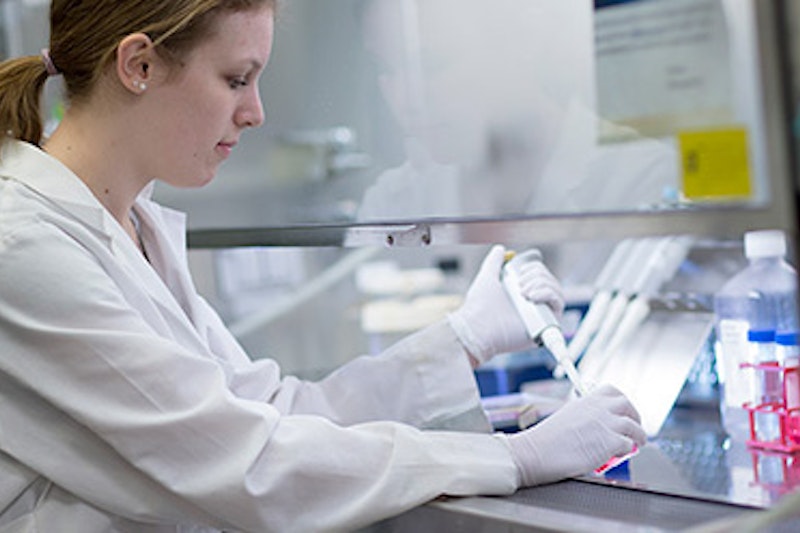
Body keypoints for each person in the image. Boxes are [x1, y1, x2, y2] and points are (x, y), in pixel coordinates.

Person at [0, 1, 646, 532]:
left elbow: (275, 410)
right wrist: (514, 457)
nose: (255, 112)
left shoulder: (132, 222)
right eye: (236, 79)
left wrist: (462, 339)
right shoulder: (22, 244)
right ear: (138, 64)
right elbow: (245, 464)